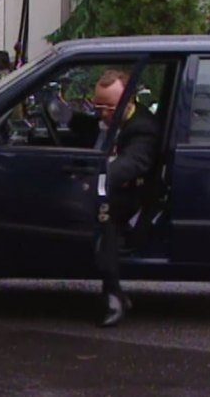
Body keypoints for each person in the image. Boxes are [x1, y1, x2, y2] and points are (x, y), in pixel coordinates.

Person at [69, 69, 160, 327]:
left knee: (104, 216)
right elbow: (93, 127)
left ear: (128, 102)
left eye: (109, 108)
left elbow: (131, 164)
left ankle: (112, 293)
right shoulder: (111, 118)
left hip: (135, 196)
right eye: (97, 106)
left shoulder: (143, 128)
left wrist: (93, 180)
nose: (103, 114)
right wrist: (66, 116)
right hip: (113, 189)